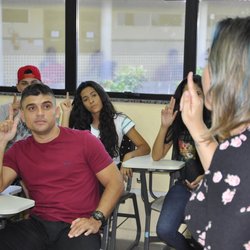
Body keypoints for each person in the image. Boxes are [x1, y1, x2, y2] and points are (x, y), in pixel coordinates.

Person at [0, 83, 124, 250]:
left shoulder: (84, 141)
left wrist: (96, 219)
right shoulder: (18, 149)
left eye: (46, 106)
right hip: (38, 225)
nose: (39, 113)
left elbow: (116, 182)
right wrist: (2, 141)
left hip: (77, 226)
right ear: (22, 116)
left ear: (57, 112)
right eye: (31, 108)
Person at [181, 17, 250, 249]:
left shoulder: (242, 152)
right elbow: (227, 177)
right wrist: (196, 126)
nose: (204, 70)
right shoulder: (239, 146)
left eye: (209, 60)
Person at [152, 75, 211, 250]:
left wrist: (206, 177)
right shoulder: (178, 123)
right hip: (182, 188)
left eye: (198, 93)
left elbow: (225, 161)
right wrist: (164, 126)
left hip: (210, 189)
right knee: (164, 230)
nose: (192, 97)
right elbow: (156, 155)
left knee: (203, 235)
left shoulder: (215, 122)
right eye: (187, 94)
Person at [60, 81, 150, 180]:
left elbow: (145, 147)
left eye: (94, 95)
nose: (91, 101)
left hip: (109, 175)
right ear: (83, 104)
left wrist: (129, 156)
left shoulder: (119, 120)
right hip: (84, 174)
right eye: (85, 99)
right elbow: (64, 146)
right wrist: (66, 113)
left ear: (101, 96)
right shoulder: (80, 124)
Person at [0, 65, 42, 150]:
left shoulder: (46, 109)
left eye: (34, 83)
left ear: (41, 85)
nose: (29, 87)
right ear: (18, 87)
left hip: (38, 158)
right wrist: (10, 117)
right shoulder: (4, 109)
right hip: (8, 158)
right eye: (24, 83)